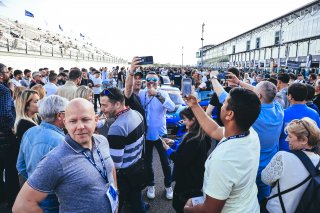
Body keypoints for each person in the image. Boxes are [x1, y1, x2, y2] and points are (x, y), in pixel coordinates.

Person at [12, 98, 118, 213]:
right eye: (73, 121)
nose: (80, 126)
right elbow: (22, 205)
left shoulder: (102, 141)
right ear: (65, 122)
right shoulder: (55, 159)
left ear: (96, 120)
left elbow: (110, 167)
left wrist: (115, 196)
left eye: (85, 119)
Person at [183, 72, 261, 212]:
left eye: (224, 102)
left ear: (230, 114)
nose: (222, 104)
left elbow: (210, 210)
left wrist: (188, 209)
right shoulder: (250, 134)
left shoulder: (224, 160)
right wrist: (194, 106)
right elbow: (214, 130)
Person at [227, 73, 284, 204]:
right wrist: (239, 82)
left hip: (252, 166)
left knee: (247, 199)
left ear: (258, 96)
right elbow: (261, 93)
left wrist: (213, 79)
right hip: (269, 166)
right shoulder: (279, 108)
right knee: (263, 199)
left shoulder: (254, 113)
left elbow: (225, 97)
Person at [16, 95, 68, 212]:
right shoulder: (60, 141)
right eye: (67, 112)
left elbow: (20, 166)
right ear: (60, 115)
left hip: (33, 196)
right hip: (53, 200)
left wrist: (34, 183)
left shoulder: (30, 132)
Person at [100, 87, 146, 212]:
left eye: (104, 105)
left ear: (118, 104)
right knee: (136, 201)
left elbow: (115, 164)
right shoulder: (137, 114)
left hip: (124, 176)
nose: (101, 109)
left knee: (117, 207)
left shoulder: (117, 127)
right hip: (137, 168)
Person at [262, 118, 320, 213]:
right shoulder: (318, 160)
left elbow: (265, 179)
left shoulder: (283, 157)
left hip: (276, 210)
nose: (286, 139)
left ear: (304, 140)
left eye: (290, 136)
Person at [162, 107, 211, 213]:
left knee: (179, 205)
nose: (183, 122)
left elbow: (180, 159)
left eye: (184, 119)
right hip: (195, 180)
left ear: (193, 119)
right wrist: (173, 143)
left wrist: (167, 149)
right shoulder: (200, 135)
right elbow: (187, 151)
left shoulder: (194, 140)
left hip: (187, 181)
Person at [138, 71, 175, 200]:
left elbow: (171, 107)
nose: (151, 82)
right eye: (148, 80)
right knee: (147, 161)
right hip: (146, 134)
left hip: (161, 133)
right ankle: (150, 184)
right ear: (145, 81)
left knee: (165, 161)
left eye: (154, 80)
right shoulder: (142, 93)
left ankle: (168, 186)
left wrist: (157, 94)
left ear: (158, 82)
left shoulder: (162, 93)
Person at [0, 63, 19, 209]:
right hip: (5, 138)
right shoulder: (4, 91)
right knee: (11, 170)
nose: (9, 74)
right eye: (7, 72)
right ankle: (12, 200)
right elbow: (6, 114)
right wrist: (14, 128)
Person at [279, 83, 320, 151]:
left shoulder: (283, 113)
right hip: (307, 152)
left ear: (290, 96)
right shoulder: (314, 113)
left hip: (286, 150)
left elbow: (278, 134)